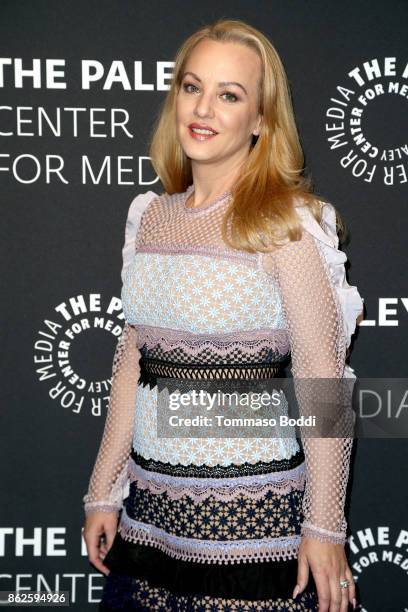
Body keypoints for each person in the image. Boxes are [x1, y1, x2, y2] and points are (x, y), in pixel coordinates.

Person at [82, 18, 364, 612]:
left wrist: (325, 527)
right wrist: (103, 491)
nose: (203, 107)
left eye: (229, 94)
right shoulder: (152, 217)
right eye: (192, 87)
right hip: (150, 527)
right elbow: (132, 363)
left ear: (260, 119)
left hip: (254, 535)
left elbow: (324, 380)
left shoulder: (285, 224)